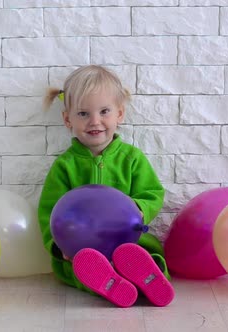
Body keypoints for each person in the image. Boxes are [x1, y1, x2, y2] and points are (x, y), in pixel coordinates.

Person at [38, 65, 174, 308]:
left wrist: (139, 208)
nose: (95, 121)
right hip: (82, 251)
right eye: (83, 114)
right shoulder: (65, 166)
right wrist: (59, 248)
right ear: (67, 119)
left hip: (128, 243)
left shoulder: (131, 158)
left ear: (119, 114)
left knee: (149, 255)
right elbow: (49, 213)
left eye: (104, 111)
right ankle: (107, 283)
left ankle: (151, 277)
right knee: (76, 269)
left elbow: (152, 192)